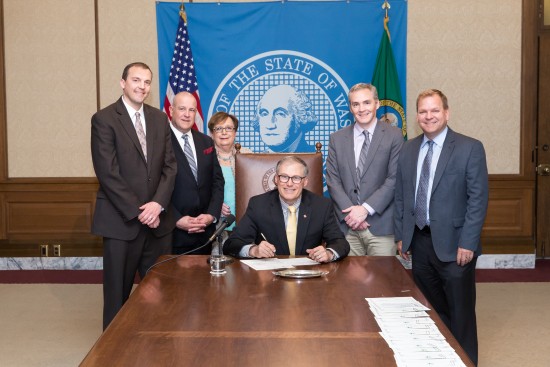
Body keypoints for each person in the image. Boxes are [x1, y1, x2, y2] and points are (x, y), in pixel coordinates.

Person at [394, 89, 488, 365]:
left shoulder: (470, 147)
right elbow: (401, 195)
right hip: (420, 243)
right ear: (417, 116)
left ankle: (466, 362)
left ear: (446, 113)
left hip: (456, 246)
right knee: (431, 311)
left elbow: (478, 199)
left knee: (461, 315)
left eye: (434, 110)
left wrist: (468, 242)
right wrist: (402, 236)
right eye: (423, 111)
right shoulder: (408, 148)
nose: (428, 116)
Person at [90, 62, 177, 329]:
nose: (142, 86)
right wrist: (141, 211)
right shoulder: (104, 119)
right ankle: (112, 353)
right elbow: (108, 173)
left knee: (162, 293)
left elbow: (170, 166)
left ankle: (158, 347)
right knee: (117, 296)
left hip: (157, 224)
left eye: (147, 82)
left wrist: (158, 205)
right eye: (136, 80)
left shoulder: (159, 118)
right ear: (123, 83)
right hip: (122, 222)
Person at [326, 83, 403, 256]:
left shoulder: (394, 135)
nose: (361, 109)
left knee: (382, 281)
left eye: (366, 103)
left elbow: (394, 179)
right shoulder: (337, 139)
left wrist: (365, 210)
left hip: (381, 227)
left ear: (376, 104)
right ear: (350, 108)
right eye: (356, 104)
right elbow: (333, 180)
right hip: (347, 226)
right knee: (347, 282)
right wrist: (353, 214)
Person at [225, 156, 349, 261]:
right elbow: (232, 243)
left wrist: (329, 253)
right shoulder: (258, 204)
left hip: (309, 279)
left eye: (296, 178)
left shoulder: (322, 206)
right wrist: (254, 250)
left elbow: (340, 242)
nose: (289, 183)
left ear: (305, 182)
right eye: (284, 177)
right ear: (276, 179)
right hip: (270, 279)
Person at [169, 92, 225, 255]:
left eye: (192, 110)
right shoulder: (160, 141)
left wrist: (211, 215)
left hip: (205, 234)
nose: (187, 115)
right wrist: (176, 219)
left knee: (204, 280)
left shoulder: (206, 141)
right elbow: (153, 186)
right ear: (171, 110)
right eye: (182, 109)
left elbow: (217, 181)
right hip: (172, 233)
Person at [207, 112, 252, 231]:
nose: (224, 132)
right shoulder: (205, 157)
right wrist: (215, 205)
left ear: (235, 132)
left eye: (228, 128)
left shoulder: (247, 155)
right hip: (217, 226)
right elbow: (198, 191)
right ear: (212, 133)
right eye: (218, 128)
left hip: (246, 223)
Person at [251, 84, 318, 153]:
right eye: (264, 114)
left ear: (301, 117)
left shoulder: (313, 158)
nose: (270, 125)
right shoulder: (257, 161)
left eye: (280, 114)